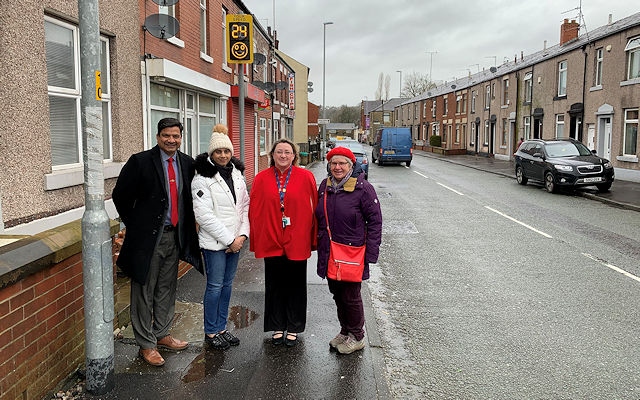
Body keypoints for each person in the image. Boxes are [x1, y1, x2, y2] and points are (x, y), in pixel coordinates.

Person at [113, 117, 203, 367]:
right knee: (144, 289)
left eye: (176, 136)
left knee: (167, 286)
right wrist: (136, 225)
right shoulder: (140, 161)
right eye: (167, 136)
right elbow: (120, 195)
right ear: (158, 137)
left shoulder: (186, 163)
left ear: (180, 138)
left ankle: (162, 333)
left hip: (175, 236)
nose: (171, 140)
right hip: (148, 239)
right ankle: (146, 344)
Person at [248, 138, 318, 347]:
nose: (283, 156)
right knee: (274, 284)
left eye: (287, 152)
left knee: (296, 285)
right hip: (271, 238)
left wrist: (311, 236)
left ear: (294, 155)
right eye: (279, 152)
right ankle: (278, 325)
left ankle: (294, 327)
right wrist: (257, 236)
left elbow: (313, 209)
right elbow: (255, 210)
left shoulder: (306, 176)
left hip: (296, 238)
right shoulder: (261, 178)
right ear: (272, 155)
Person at [315, 146, 382, 355]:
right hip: (330, 250)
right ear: (329, 165)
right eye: (334, 163)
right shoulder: (324, 186)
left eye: (342, 163)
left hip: (353, 253)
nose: (337, 167)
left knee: (351, 296)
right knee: (337, 293)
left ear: (351, 165)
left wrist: (371, 254)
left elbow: (375, 222)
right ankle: (345, 331)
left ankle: (358, 336)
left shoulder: (363, 189)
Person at [192, 124, 249, 351]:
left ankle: (222, 328)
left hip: (235, 241)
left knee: (227, 286)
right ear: (211, 154)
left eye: (226, 151)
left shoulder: (236, 174)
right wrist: (230, 240)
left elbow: (245, 206)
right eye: (218, 152)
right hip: (215, 244)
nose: (223, 155)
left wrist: (243, 235)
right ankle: (211, 331)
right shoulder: (201, 178)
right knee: (215, 286)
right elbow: (203, 215)